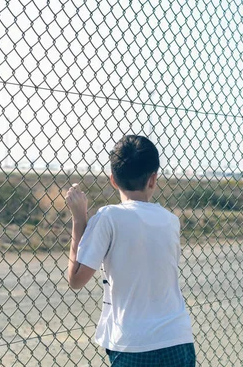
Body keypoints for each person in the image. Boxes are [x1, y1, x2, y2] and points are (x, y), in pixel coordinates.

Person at [65, 135, 196, 366]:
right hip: (178, 339)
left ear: (113, 180)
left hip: (132, 344)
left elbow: (76, 280)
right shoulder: (171, 221)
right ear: (153, 179)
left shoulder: (108, 217)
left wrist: (79, 219)